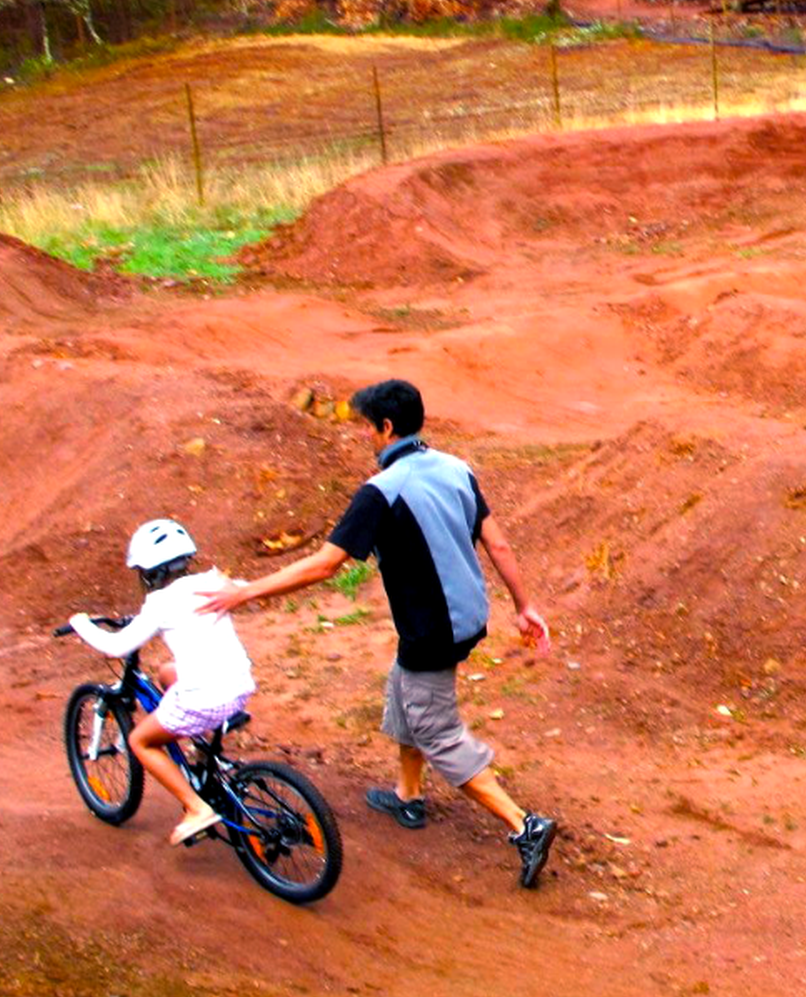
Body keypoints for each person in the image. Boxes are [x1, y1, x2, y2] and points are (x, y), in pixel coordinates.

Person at [201, 379, 559, 889]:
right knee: (405, 689)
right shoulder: (456, 468)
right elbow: (497, 545)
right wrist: (524, 607)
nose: (364, 436)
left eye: (366, 428)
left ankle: (524, 825)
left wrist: (244, 592)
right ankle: (408, 796)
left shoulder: (381, 491)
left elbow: (325, 565)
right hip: (466, 617)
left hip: (433, 630)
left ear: (387, 428)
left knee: (436, 730)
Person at [68, 520, 256, 847]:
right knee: (168, 672)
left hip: (205, 700)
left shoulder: (160, 604)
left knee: (140, 741)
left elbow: (117, 647)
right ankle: (204, 749)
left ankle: (197, 808)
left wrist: (81, 624)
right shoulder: (213, 580)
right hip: (239, 687)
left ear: (149, 573)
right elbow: (244, 588)